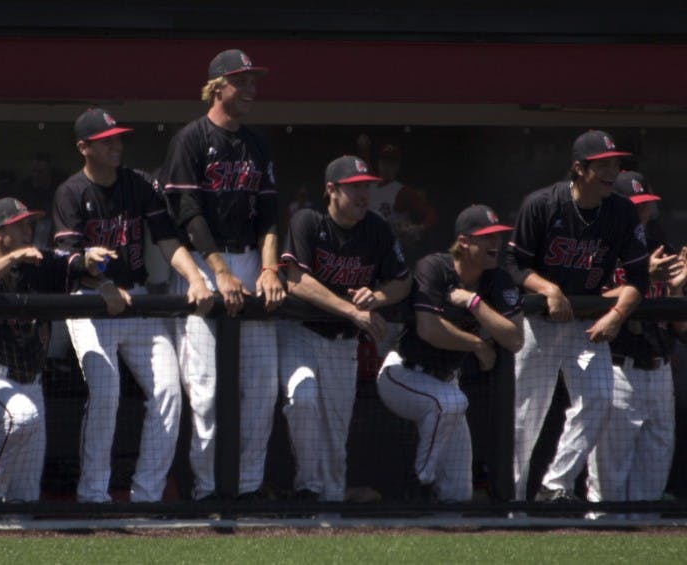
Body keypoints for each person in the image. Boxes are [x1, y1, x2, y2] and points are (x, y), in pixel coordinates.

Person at [53, 108, 214, 503]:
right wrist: (98, 278)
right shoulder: (70, 192)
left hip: (136, 300)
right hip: (91, 304)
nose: (116, 145)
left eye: (118, 138)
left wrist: (196, 277)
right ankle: (93, 495)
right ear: (83, 147)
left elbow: (167, 239)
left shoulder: (138, 184)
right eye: (106, 140)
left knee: (169, 391)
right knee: (106, 393)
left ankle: (147, 495)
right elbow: (67, 259)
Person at [159, 48, 286, 500]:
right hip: (202, 263)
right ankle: (208, 488)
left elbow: (270, 213)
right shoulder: (190, 139)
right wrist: (218, 273)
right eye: (242, 82)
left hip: (251, 259)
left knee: (261, 387)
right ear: (217, 86)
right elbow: (188, 213)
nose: (252, 89)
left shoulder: (257, 142)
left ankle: (248, 486)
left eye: (253, 82)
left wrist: (270, 268)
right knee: (207, 390)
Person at [505, 130, 649, 502]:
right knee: (526, 414)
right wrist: (548, 289)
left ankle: (555, 485)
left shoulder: (621, 210)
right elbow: (514, 265)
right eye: (603, 165)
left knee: (600, 398)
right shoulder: (542, 204)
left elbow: (638, 278)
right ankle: (513, 501)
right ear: (578, 168)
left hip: (586, 326)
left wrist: (616, 315)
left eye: (616, 165)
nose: (612, 172)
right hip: (540, 325)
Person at [0, 197, 112, 503]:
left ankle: (1, 533)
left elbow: (77, 264)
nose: (29, 229)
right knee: (22, 415)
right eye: (19, 225)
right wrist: (13, 259)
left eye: (29, 223)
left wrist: (94, 262)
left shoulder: (42, 262)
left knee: (26, 498)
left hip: (32, 383)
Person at [278, 155, 411, 501]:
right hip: (301, 333)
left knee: (336, 432)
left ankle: (332, 505)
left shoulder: (376, 229)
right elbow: (296, 281)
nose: (363, 194)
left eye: (366, 186)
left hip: (343, 344)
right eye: (354, 188)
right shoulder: (309, 221)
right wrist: (353, 310)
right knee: (302, 398)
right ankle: (308, 489)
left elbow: (403, 283)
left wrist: (378, 297)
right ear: (331, 190)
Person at [378, 204, 523, 502]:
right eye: (487, 237)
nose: (495, 244)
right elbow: (429, 329)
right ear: (464, 241)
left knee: (459, 492)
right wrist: (477, 344)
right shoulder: (435, 267)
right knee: (451, 402)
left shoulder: (496, 278)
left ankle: (438, 529)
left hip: (446, 380)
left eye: (498, 236)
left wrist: (474, 304)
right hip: (402, 373)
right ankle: (420, 482)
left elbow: (515, 339)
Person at [587, 171, 687, 504]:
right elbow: (589, 306)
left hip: (659, 368)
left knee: (655, 463)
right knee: (610, 473)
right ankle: (603, 534)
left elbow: (680, 326)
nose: (642, 213)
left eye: (646, 206)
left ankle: (644, 532)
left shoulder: (659, 243)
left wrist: (677, 290)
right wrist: (644, 276)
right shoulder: (599, 244)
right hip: (616, 367)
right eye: (635, 206)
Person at [368, 143, 438, 249]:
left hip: (391, 249)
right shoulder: (369, 185)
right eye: (384, 162)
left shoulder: (403, 192)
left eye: (391, 163)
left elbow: (431, 214)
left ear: (397, 166)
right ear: (378, 162)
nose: (386, 166)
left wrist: (418, 228)